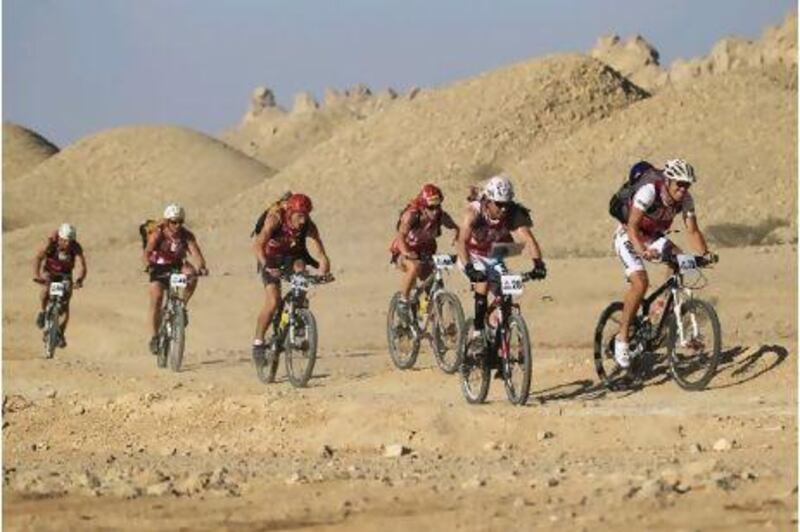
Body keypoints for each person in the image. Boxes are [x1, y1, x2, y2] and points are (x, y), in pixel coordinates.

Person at [612, 158, 716, 369]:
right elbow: (632, 226)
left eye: (687, 185)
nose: (683, 189)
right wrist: (642, 250)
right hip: (629, 235)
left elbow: (692, 231)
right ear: (668, 180)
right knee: (640, 282)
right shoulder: (649, 191)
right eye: (679, 184)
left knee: (678, 257)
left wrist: (705, 254)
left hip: (652, 236)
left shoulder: (686, 200)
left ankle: (661, 305)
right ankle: (621, 340)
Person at [457, 175, 546, 350]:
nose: (504, 209)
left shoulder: (512, 212)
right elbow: (461, 242)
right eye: (499, 204)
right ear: (488, 201)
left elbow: (528, 238)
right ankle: (477, 332)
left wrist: (538, 264)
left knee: (506, 295)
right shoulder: (474, 213)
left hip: (494, 257)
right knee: (482, 281)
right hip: (472, 255)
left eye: (507, 204)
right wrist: (469, 268)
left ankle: (498, 341)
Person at [252, 193, 332, 361]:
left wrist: (324, 268)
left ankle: (298, 313)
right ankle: (258, 341)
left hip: (290, 257)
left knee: (301, 270)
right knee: (273, 300)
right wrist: (266, 265)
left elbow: (321, 252)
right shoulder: (275, 219)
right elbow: (258, 244)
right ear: (290, 213)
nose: (302, 221)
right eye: (299, 216)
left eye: (306, 216)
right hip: (269, 257)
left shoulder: (308, 225)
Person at [142, 204, 208, 354]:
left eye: (180, 222)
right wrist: (147, 265)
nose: (177, 225)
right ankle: (154, 337)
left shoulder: (186, 235)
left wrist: (201, 266)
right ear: (166, 221)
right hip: (158, 267)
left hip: (176, 266)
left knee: (191, 276)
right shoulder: (158, 233)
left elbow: (196, 252)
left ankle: (181, 306)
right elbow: (147, 251)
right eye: (173, 222)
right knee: (157, 297)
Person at [390, 183, 459, 314]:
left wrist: (457, 235)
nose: (435, 211)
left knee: (434, 284)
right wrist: (406, 252)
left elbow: (455, 227)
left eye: (437, 206)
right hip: (403, 250)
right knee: (415, 267)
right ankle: (403, 301)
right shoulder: (411, 215)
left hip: (425, 252)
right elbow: (400, 236)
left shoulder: (440, 215)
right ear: (423, 206)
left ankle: (426, 313)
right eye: (431, 207)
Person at [32, 223, 87, 347]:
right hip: (50, 272)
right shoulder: (51, 244)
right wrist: (37, 275)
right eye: (65, 241)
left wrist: (79, 279)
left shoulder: (75, 247)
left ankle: (60, 334)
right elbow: (38, 258)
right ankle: (42, 311)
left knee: (65, 304)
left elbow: (82, 265)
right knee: (46, 290)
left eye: (70, 241)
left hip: (65, 275)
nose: (67, 244)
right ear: (60, 239)